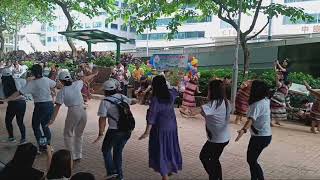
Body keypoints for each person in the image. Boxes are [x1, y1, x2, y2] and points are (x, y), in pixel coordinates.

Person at [139, 75, 182, 180]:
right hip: (172, 127)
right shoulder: (171, 94)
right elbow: (177, 89)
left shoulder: (156, 99)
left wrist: (146, 132)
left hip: (160, 128)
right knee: (170, 148)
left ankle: (165, 175)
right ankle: (169, 167)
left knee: (160, 150)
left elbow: (151, 117)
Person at [5, 64, 56, 152]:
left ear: (33, 73)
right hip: (49, 105)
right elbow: (54, 85)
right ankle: (47, 145)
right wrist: (52, 92)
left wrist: (8, 98)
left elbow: (19, 92)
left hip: (40, 106)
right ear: (41, 71)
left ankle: (42, 146)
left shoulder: (32, 83)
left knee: (36, 126)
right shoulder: (46, 80)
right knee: (45, 126)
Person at [93, 79, 137, 180]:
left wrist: (101, 133)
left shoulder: (105, 101)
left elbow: (102, 118)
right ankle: (119, 176)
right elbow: (132, 102)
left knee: (106, 150)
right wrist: (135, 99)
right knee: (118, 152)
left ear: (105, 91)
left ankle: (111, 173)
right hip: (127, 130)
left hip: (114, 131)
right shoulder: (122, 96)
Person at [49, 71, 97, 160]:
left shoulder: (62, 91)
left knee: (67, 134)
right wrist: (94, 74)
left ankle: (70, 156)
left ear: (61, 80)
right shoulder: (76, 84)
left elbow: (57, 107)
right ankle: (78, 155)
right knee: (79, 134)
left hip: (73, 111)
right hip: (83, 110)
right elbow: (85, 78)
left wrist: (52, 120)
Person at [235, 80, 272, 180]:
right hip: (265, 136)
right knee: (252, 160)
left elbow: (251, 120)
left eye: (251, 87)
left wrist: (243, 130)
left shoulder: (257, 104)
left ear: (256, 90)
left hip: (260, 137)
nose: (249, 89)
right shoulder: (265, 100)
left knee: (251, 160)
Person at [199, 79, 231, 180]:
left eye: (209, 89)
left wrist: (188, 110)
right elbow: (208, 114)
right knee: (214, 159)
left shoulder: (213, 104)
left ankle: (214, 177)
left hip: (217, 140)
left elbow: (198, 110)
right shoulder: (225, 102)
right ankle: (217, 177)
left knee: (204, 157)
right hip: (223, 138)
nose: (207, 91)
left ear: (213, 91)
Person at [0, 68, 27, 144]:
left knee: (8, 121)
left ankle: (11, 138)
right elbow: (22, 93)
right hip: (22, 103)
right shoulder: (17, 81)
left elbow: (2, 97)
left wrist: (6, 99)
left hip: (13, 104)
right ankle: (23, 139)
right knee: (20, 121)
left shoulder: (3, 84)